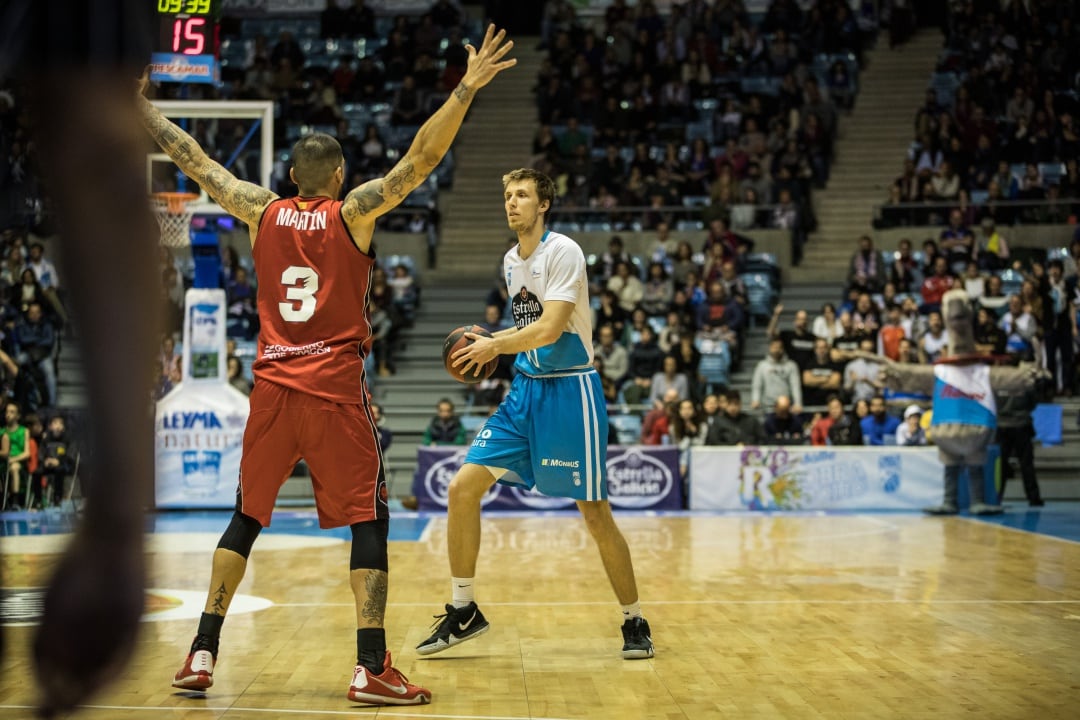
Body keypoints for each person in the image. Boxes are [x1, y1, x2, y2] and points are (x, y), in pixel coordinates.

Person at [141, 24, 516, 705]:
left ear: (289, 177)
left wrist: (138, 108)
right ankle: (369, 665)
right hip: (335, 391)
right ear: (339, 176)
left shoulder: (260, 210)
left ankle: (201, 651)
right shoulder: (355, 213)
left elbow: (194, 158)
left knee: (246, 518)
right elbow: (420, 160)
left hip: (273, 387)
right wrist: (466, 87)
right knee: (368, 518)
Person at [417, 167, 654, 661]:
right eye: (507, 195)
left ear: (543, 204)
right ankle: (465, 609)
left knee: (594, 513)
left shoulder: (563, 251)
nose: (512, 202)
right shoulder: (510, 260)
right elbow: (527, 335)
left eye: (522, 195)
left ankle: (634, 619)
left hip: (571, 392)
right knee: (462, 488)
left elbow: (549, 329)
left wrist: (493, 345)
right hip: (525, 391)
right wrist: (500, 348)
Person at [995, 381, 1044, 506]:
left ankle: (996, 497)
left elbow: (992, 402)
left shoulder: (997, 382)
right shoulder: (1024, 382)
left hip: (1003, 426)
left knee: (1001, 465)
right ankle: (1033, 498)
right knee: (1026, 463)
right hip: (1021, 425)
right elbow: (1033, 403)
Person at [33, 413, 75, 507]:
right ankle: (38, 500)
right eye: (55, 423)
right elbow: (41, 453)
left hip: (63, 465)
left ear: (64, 427)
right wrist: (45, 461)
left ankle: (57, 498)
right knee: (37, 472)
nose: (58, 426)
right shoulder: (46, 439)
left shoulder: (68, 439)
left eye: (61, 423)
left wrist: (59, 461)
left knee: (59, 470)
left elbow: (70, 455)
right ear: (50, 426)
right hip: (48, 464)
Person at [750, 338, 803, 413]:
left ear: (783, 349)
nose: (777, 350)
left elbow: (795, 386)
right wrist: (755, 400)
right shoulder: (762, 366)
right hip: (768, 407)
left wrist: (798, 403)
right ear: (770, 348)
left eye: (779, 347)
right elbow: (757, 385)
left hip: (787, 407)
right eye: (774, 347)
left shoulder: (791, 365)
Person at [1, 401, 31, 509]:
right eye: (7, 412)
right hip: (3, 462)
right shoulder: (2, 431)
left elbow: (27, 453)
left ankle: (15, 501)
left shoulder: (24, 431)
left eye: (12, 412)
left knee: (14, 468)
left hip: (19, 462)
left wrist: (13, 459)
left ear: (18, 416)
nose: (8, 414)